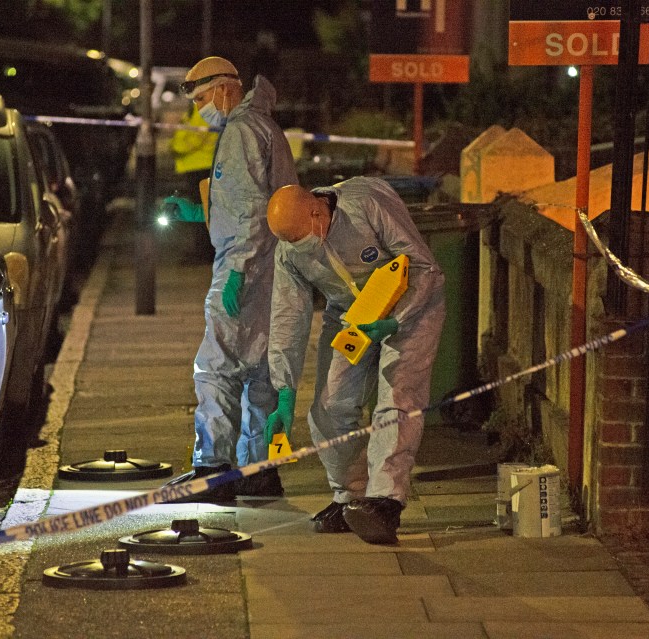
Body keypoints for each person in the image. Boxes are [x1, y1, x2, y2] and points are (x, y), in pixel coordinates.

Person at [264, 179, 446, 544]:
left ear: (317, 208)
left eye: (303, 239)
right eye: (294, 244)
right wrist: (283, 392)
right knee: (330, 406)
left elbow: (424, 266)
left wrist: (397, 319)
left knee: (397, 397)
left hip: (411, 303)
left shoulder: (365, 205)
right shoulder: (289, 251)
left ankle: (385, 501)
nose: (304, 249)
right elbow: (288, 318)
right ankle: (350, 497)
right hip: (350, 312)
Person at [163, 56, 298, 500]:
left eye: (202, 98)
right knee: (259, 370)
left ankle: (212, 469)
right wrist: (198, 212)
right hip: (273, 265)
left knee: (216, 366)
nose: (202, 109)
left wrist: (236, 272)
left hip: (245, 266)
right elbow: (257, 204)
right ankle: (259, 470)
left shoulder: (241, 132)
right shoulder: (265, 127)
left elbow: (249, 214)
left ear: (224, 89)